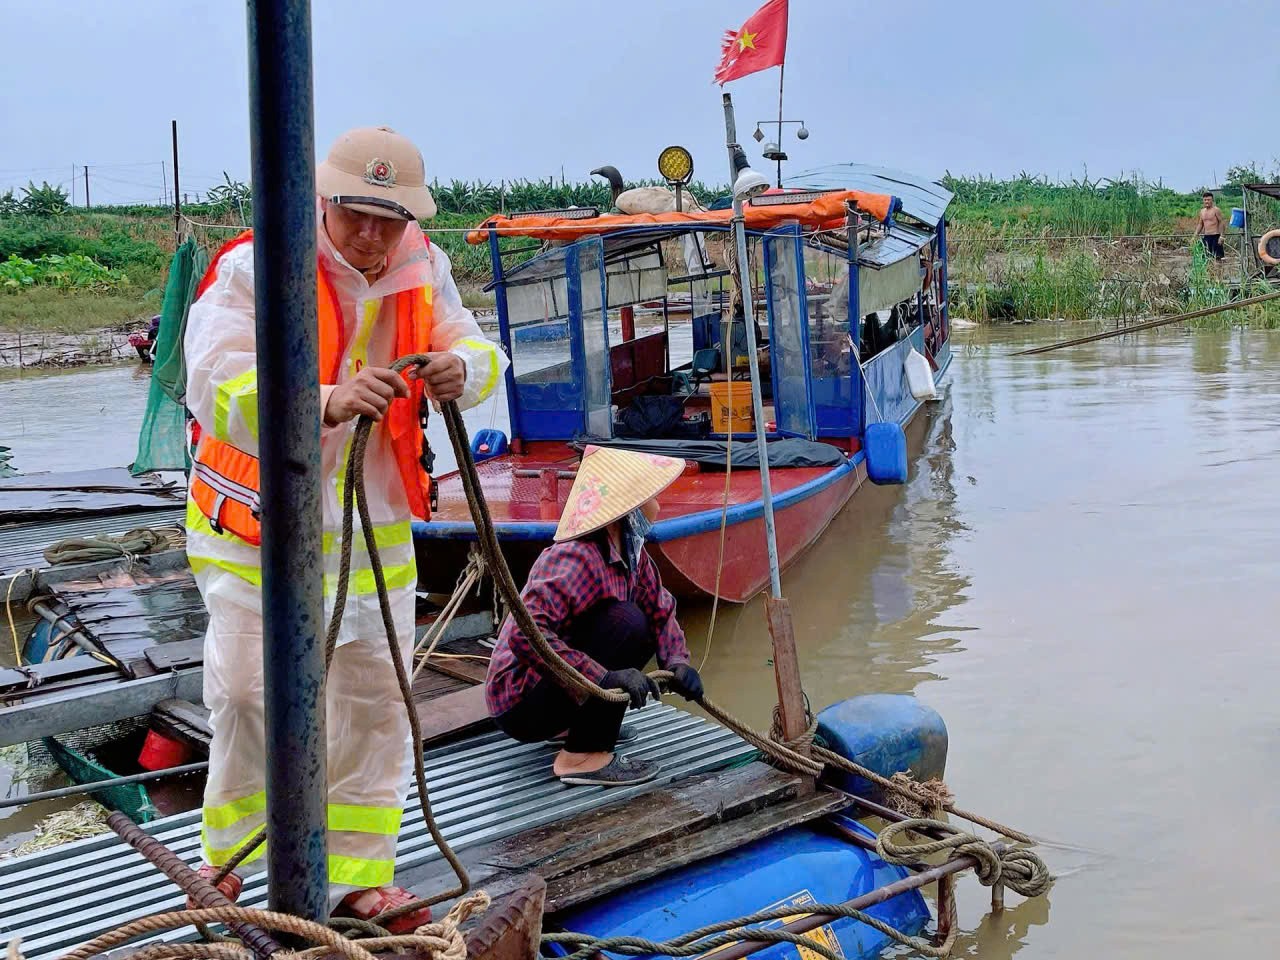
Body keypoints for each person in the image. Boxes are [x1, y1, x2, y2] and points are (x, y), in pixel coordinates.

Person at [183, 126, 507, 929]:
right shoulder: (256, 268)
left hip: (375, 530)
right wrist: (320, 398)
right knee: (250, 695)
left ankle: (356, 877)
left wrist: (462, 370)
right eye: (354, 214)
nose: (369, 234)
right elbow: (213, 379)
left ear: (408, 220)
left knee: (372, 701)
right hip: (261, 530)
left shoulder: (424, 267)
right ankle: (228, 863)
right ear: (323, 201)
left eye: (386, 219)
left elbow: (473, 344)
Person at [484, 446, 704, 786]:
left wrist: (678, 663)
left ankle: (574, 726)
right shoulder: (575, 557)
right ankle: (582, 755)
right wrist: (603, 679)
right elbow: (525, 635)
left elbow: (661, 609)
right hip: (519, 704)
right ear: (625, 511)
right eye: (648, 497)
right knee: (627, 622)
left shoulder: (631, 555)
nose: (656, 505)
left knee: (641, 623)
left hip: (558, 693)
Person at [1197, 191, 1227, 261]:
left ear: (1212, 200)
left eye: (1208, 200)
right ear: (1203, 201)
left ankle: (1218, 271)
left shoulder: (1216, 210)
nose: (1207, 201)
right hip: (1206, 237)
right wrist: (1195, 235)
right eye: (1205, 200)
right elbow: (1200, 224)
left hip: (1216, 236)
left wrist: (1222, 236)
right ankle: (1210, 271)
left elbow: (1221, 222)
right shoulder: (1202, 211)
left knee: (1218, 258)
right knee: (1207, 257)